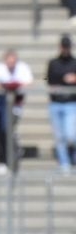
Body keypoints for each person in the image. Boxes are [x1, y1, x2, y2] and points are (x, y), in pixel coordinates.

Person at [0, 47, 33, 173]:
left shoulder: (23, 68)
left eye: (13, 62)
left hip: (15, 107)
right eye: (9, 62)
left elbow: (30, 83)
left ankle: (12, 154)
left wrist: (14, 86)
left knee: (8, 130)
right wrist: (4, 86)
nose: (11, 65)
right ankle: (2, 160)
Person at [48, 35, 76, 172]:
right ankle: (64, 162)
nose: (65, 49)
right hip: (56, 103)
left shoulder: (74, 63)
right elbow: (47, 78)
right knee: (60, 136)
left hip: (71, 102)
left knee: (71, 135)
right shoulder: (53, 63)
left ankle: (73, 158)